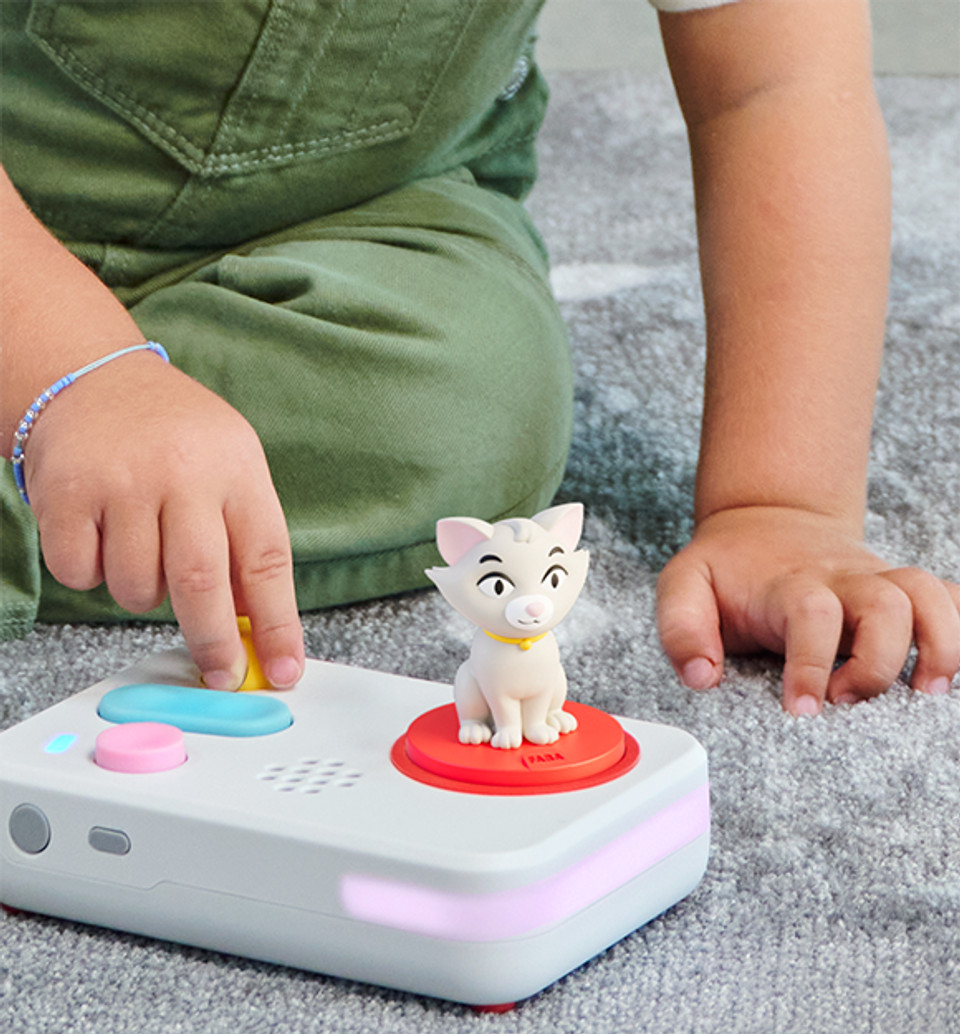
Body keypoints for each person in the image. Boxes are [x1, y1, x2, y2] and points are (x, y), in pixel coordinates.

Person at [2, 0, 957, 715]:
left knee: (469, 403)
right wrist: (75, 369)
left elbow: (778, 86)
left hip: (359, 213)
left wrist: (780, 506)